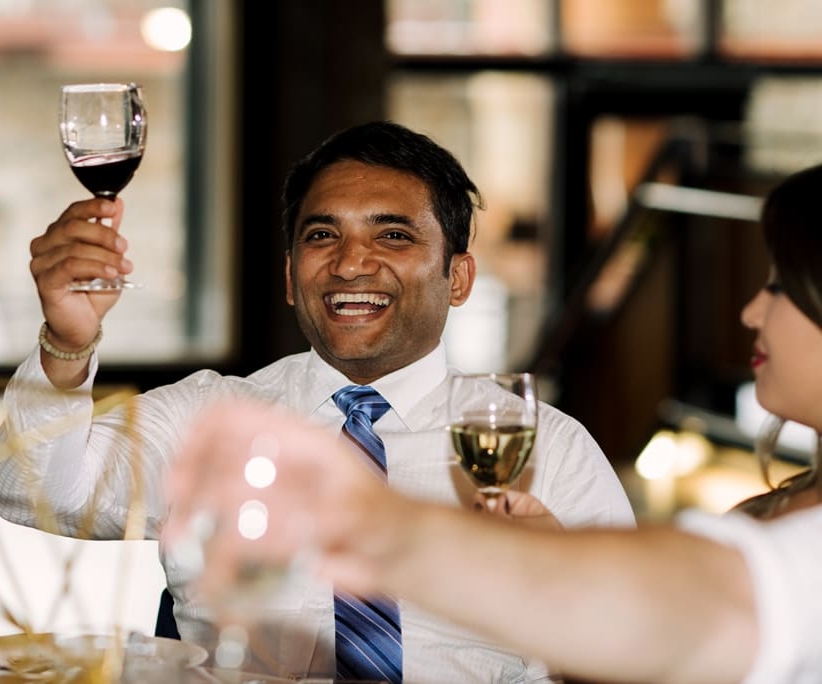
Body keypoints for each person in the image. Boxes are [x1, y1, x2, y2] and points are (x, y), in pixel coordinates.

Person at [0, 120, 635, 682]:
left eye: (393, 237)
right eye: (322, 236)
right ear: (292, 277)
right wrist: (67, 341)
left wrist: (563, 589)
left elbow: (635, 656)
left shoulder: (541, 445)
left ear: (458, 277)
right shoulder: (212, 419)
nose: (351, 263)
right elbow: (37, 490)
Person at [164, 162, 822, 684]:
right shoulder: (774, 514)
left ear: (459, 277)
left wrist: (371, 524)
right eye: (322, 235)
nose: (749, 313)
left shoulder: (556, 446)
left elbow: (707, 616)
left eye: (780, 288)